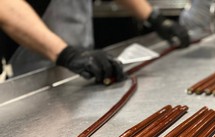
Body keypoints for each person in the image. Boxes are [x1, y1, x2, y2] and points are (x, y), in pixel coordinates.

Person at [0, 0, 190, 84]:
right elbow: (6, 7)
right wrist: (66, 53)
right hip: (33, 79)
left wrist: (154, 18)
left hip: (81, 71)